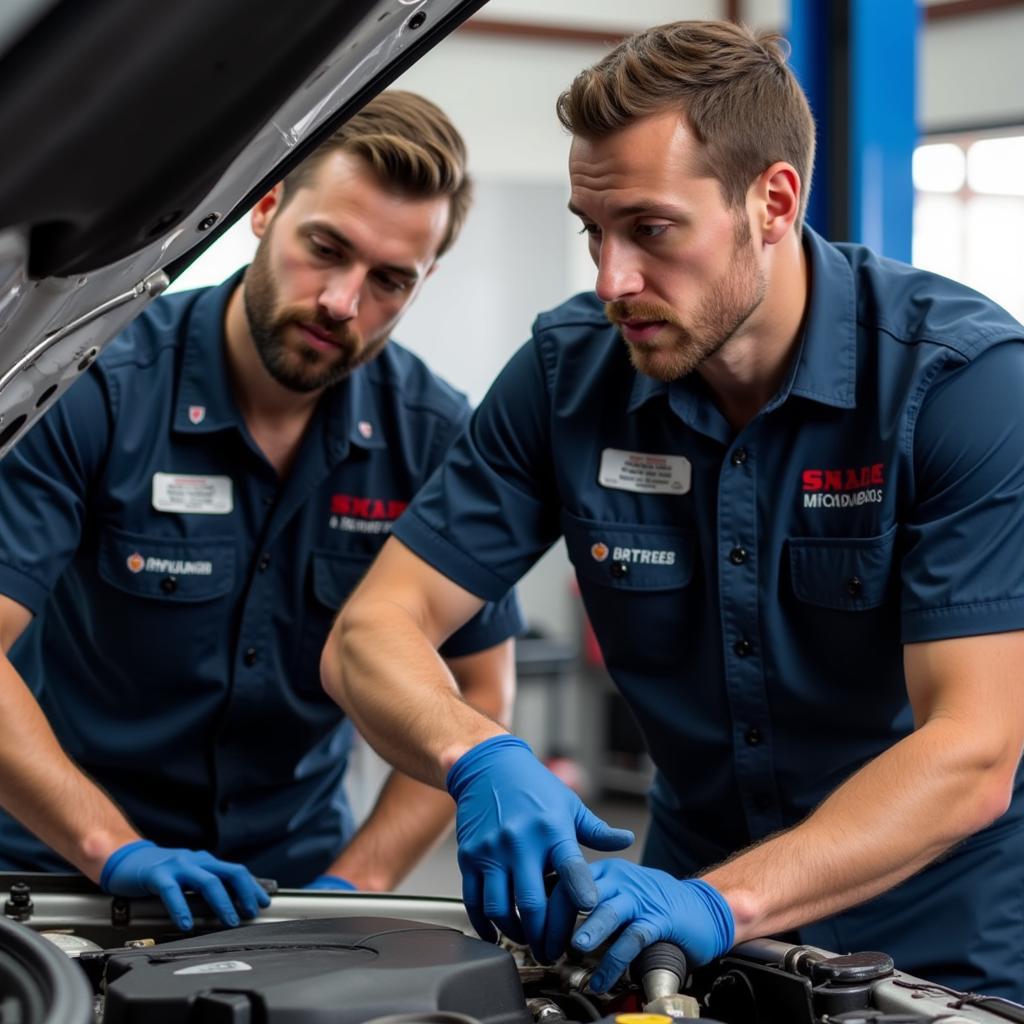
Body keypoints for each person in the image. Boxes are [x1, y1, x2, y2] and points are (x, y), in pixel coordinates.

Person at [323, 21, 1024, 1003]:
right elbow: (369, 631)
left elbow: (972, 751)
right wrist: (472, 747)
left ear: (770, 201)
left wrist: (718, 902)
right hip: (675, 942)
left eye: (649, 230)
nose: (611, 281)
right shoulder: (569, 376)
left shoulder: (961, 385)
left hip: (928, 956)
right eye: (591, 231)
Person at [0, 91, 522, 931]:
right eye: (326, 249)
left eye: (390, 280)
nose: (343, 304)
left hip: (289, 888)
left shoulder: (430, 436)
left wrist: (354, 889)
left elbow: (478, 686)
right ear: (266, 206)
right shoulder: (98, 387)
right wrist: (110, 848)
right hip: (61, 874)